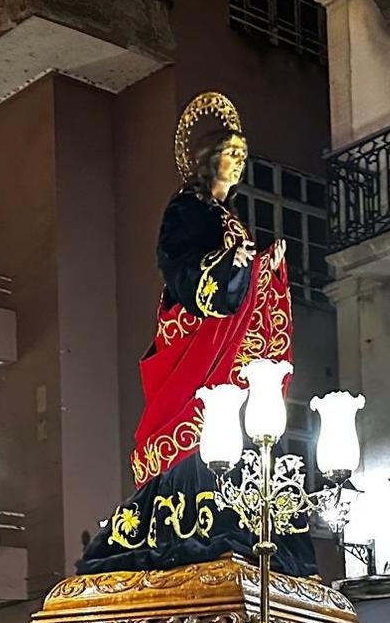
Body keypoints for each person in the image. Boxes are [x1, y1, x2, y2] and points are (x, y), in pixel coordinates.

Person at [77, 91, 309, 576]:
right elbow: (179, 269)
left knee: (238, 424)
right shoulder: (187, 209)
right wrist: (230, 270)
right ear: (207, 160)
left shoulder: (229, 219)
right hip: (199, 341)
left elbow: (240, 283)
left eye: (243, 156)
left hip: (227, 343)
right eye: (231, 154)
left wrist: (261, 268)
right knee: (200, 423)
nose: (237, 164)